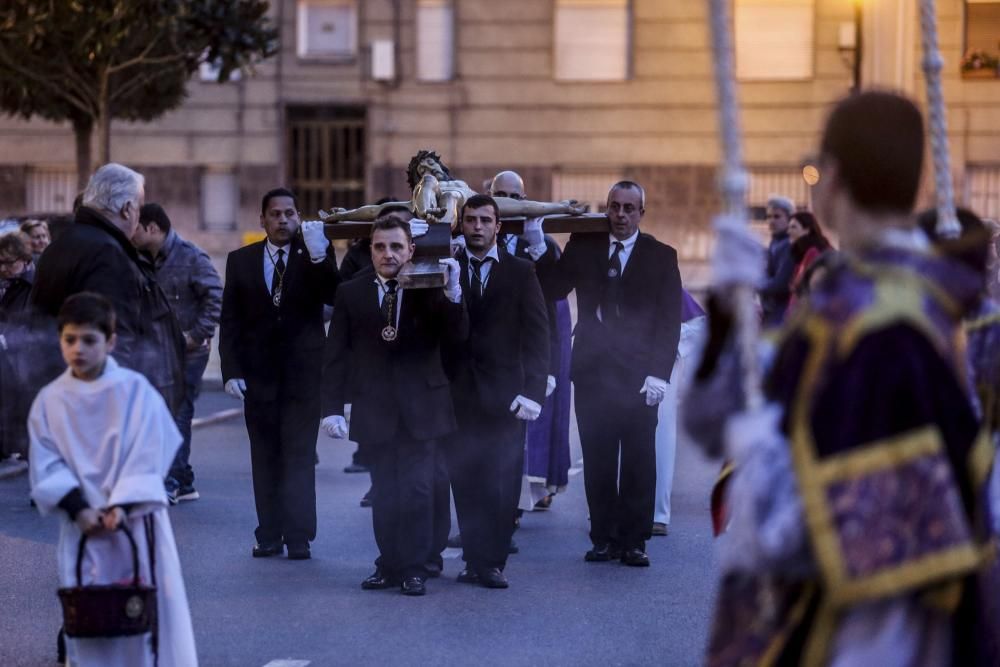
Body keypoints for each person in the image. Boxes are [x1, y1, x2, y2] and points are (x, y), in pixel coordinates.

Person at [690, 91, 1000, 665]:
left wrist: (760, 465)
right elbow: (713, 423)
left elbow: (882, 557)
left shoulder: (873, 325)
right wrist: (727, 322)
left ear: (828, 177)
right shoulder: (911, 300)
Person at [28, 292, 197, 667]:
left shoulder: (134, 391)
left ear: (111, 341)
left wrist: (121, 504)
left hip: (134, 522)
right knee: (91, 620)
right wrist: (78, 507)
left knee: (145, 619)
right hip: (83, 524)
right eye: (70, 340)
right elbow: (46, 458)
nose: (78, 349)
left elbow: (151, 450)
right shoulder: (50, 400)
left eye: (89, 340)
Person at [528, 181, 683, 566]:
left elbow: (669, 320)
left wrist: (659, 374)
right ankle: (603, 538)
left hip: (639, 374)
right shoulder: (585, 247)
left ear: (641, 214)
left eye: (630, 208)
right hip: (594, 370)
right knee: (597, 458)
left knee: (638, 459)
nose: (621, 215)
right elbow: (554, 287)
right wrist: (536, 242)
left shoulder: (661, 256)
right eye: (615, 207)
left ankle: (634, 541)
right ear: (607, 209)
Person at [321, 218, 467, 596]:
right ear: (370, 250)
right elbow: (336, 354)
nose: (389, 254)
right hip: (376, 408)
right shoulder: (351, 293)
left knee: (417, 489)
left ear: (411, 250)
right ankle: (389, 564)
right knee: (385, 491)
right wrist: (332, 408)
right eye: (381, 247)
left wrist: (453, 295)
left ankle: (414, 568)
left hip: (423, 407)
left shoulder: (431, 286)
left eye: (396, 247)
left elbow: (456, 339)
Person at [219, 187, 340, 560]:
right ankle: (269, 533)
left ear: (298, 218)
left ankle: (299, 535)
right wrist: (231, 370)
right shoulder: (241, 260)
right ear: (263, 220)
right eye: (276, 214)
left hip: (304, 375)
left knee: (300, 455)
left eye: (290, 213)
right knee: (265, 456)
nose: (284, 220)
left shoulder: (314, 254)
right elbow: (231, 320)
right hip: (259, 376)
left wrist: (321, 258)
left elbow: (336, 298)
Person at [443, 194, 549, 588]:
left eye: (485, 220)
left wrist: (534, 391)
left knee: (502, 483)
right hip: (457, 395)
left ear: (498, 227)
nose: (477, 227)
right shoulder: (445, 269)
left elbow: (539, 335)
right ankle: (472, 559)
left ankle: (493, 562)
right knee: (465, 479)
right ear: (462, 224)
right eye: (470, 220)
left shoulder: (521, 272)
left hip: (507, 396)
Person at [30, 163, 185, 414]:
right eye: (139, 207)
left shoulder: (62, 245)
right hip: (97, 405)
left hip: (63, 391)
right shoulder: (108, 253)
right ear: (126, 209)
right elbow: (114, 336)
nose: (139, 216)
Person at [488, 170, 572, 514]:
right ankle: (497, 503)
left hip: (528, 348)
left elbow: (555, 293)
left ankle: (520, 501)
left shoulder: (541, 241)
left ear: (525, 200)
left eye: (515, 197)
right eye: (501, 195)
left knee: (528, 422)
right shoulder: (477, 234)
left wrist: (538, 245)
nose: (509, 202)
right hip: (492, 350)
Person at [133, 203, 223, 503]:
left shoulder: (191, 256)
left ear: (152, 228)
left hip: (188, 352)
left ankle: (171, 481)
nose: (130, 233)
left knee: (179, 412)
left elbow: (215, 298)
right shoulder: (140, 258)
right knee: (161, 414)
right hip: (156, 352)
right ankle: (182, 480)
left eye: (135, 227)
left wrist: (195, 336)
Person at [652, 289, 706, 537]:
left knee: (661, 433)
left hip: (663, 362)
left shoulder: (662, 277)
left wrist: (669, 339)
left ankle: (657, 514)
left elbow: (699, 323)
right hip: (621, 362)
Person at [0, 232, 35, 465]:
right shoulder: (7, 283)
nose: (3, 268)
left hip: (24, 355)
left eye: (9, 263)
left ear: (24, 259)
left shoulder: (34, 284)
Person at [758, 195, 796, 326]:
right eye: (769, 217)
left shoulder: (787, 245)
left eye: (777, 216)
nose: (771, 221)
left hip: (781, 313)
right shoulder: (776, 241)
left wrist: (757, 283)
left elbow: (780, 284)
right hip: (771, 310)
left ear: (789, 219)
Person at [785, 210, 832, 313]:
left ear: (807, 230)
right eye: (788, 227)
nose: (788, 231)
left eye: (793, 227)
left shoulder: (813, 252)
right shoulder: (802, 252)